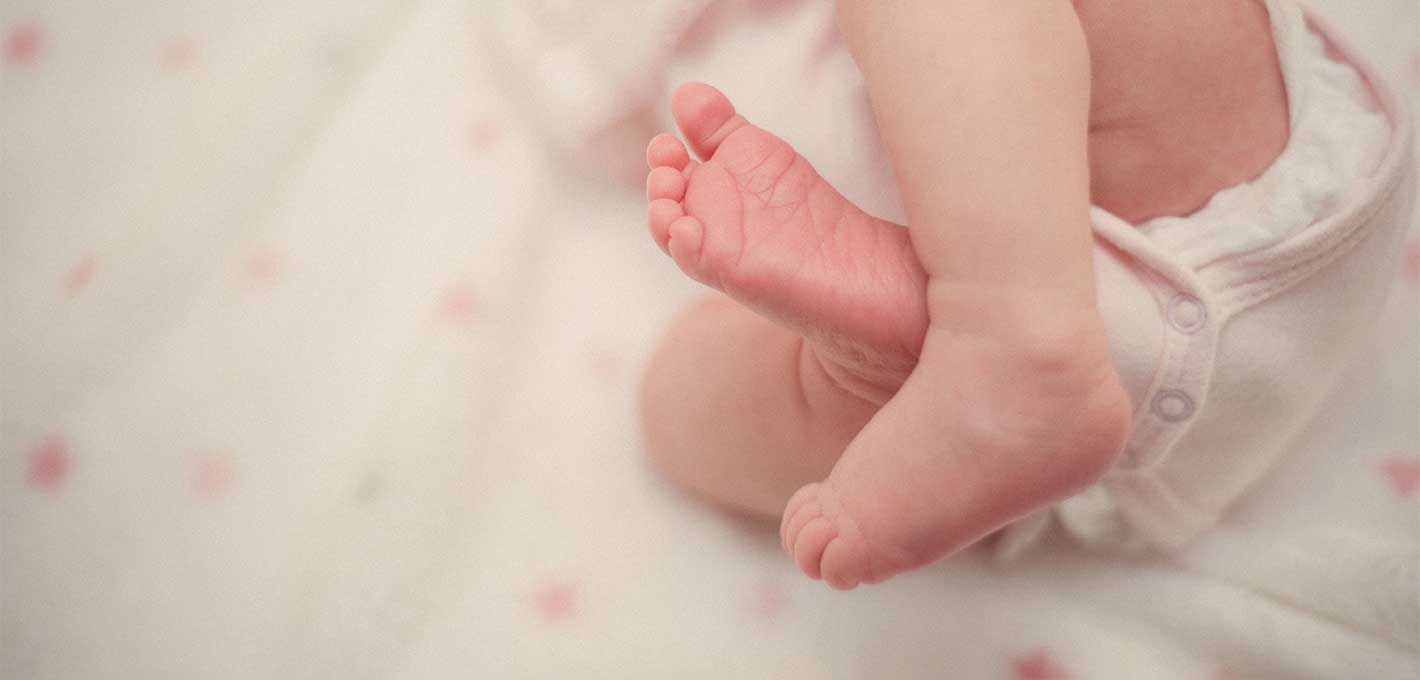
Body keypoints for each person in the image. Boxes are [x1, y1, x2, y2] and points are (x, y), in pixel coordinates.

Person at [638, 0, 1413, 589]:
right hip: (1025, 379)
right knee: (672, 400)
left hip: (1166, 161)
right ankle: (920, 363)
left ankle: (996, 335)